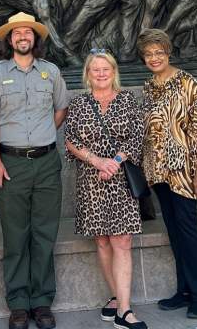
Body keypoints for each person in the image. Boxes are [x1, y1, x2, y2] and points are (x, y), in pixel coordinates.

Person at [0, 12, 69, 329]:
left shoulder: (51, 72)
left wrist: (44, 134)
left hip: (46, 163)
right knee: (15, 237)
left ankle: (42, 302)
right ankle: (18, 303)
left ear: (35, 39)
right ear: (9, 40)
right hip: (10, 164)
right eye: (16, 33)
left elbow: (60, 109)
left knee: (44, 235)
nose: (22, 37)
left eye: (27, 33)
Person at [64, 50, 146, 329]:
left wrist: (114, 162)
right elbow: (70, 140)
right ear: (88, 74)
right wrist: (96, 160)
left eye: (105, 69)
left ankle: (124, 310)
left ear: (114, 72)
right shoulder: (78, 103)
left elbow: (138, 136)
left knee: (122, 240)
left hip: (121, 179)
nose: (101, 74)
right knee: (102, 240)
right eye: (95, 70)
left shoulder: (127, 100)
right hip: (91, 179)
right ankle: (116, 296)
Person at [139, 28, 197, 320]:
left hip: (184, 172)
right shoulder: (149, 87)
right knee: (174, 232)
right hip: (158, 172)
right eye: (149, 54)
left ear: (168, 52)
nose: (154, 58)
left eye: (159, 52)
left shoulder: (187, 83)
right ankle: (184, 290)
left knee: (188, 231)